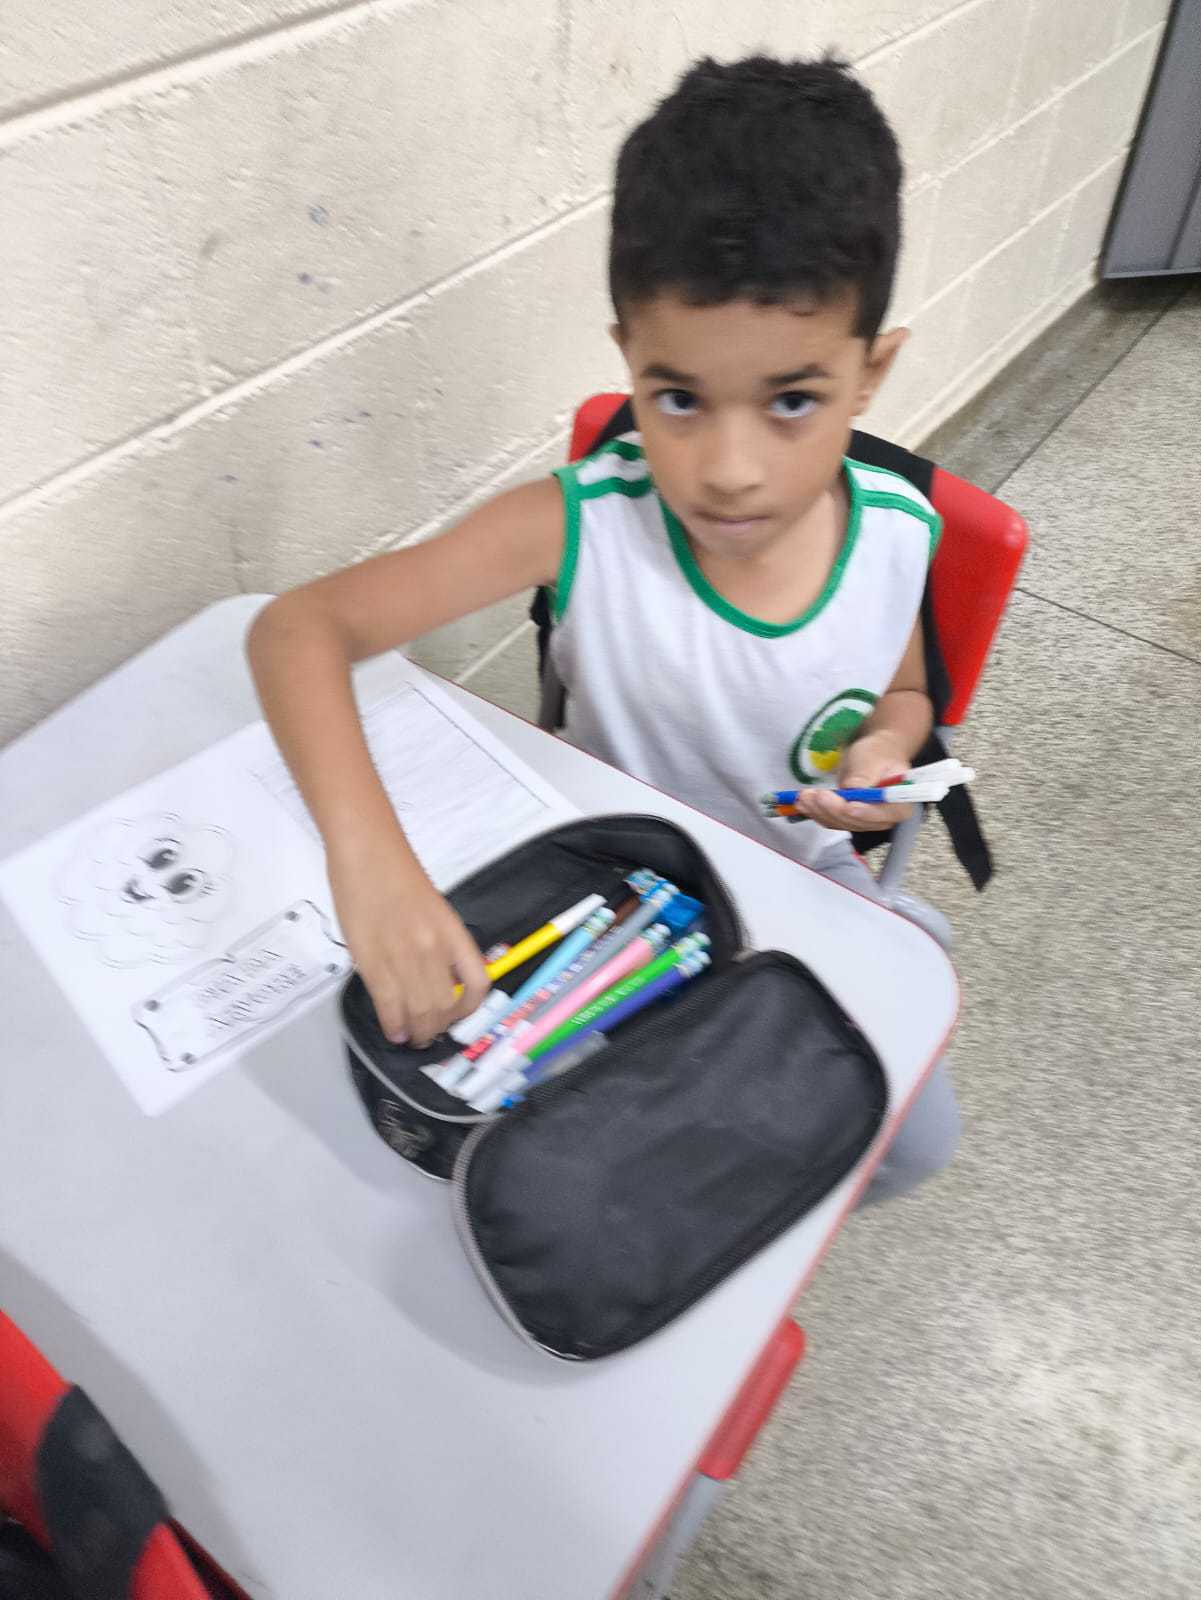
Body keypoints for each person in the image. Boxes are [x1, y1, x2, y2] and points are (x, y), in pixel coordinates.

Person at [248, 54, 960, 1203]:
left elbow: (906, 694)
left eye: (792, 400)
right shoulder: (578, 525)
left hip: (800, 885)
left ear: (870, 372)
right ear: (628, 354)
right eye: (678, 398)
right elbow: (298, 631)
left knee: (912, 1143)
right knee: (541, 1173)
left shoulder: (897, 534)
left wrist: (884, 748)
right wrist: (372, 867)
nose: (729, 470)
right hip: (606, 906)